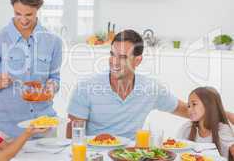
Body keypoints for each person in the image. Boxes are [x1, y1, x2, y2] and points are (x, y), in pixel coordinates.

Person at [66, 29, 234, 139]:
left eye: (122, 57)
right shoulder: (86, 88)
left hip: (131, 155)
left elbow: (187, 110)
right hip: (94, 155)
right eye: (112, 54)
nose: (114, 62)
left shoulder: (150, 89)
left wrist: (227, 116)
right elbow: (73, 134)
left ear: (138, 60)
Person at [0, 0, 62, 138]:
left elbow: (55, 78)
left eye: (29, 14)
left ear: (38, 8)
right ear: (12, 7)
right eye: (18, 14)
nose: (23, 20)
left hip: (44, 127)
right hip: (9, 131)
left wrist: (52, 86)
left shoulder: (53, 41)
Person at [177, 87, 234, 160]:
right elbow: (177, 151)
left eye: (194, 104)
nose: (189, 109)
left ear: (208, 105)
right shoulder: (187, 127)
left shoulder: (222, 129)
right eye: (188, 106)